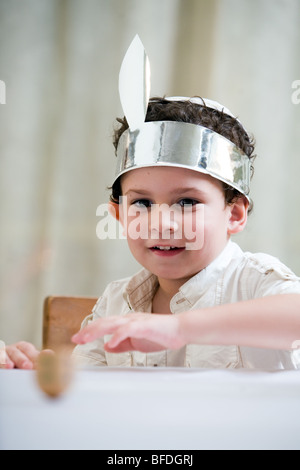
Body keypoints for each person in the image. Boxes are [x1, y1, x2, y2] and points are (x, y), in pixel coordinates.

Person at [4, 38, 300, 370]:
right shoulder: (116, 303)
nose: (161, 222)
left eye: (187, 201)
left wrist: (179, 327)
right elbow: (90, 392)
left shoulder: (253, 283)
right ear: (118, 214)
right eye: (142, 202)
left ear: (233, 213)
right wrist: (40, 372)